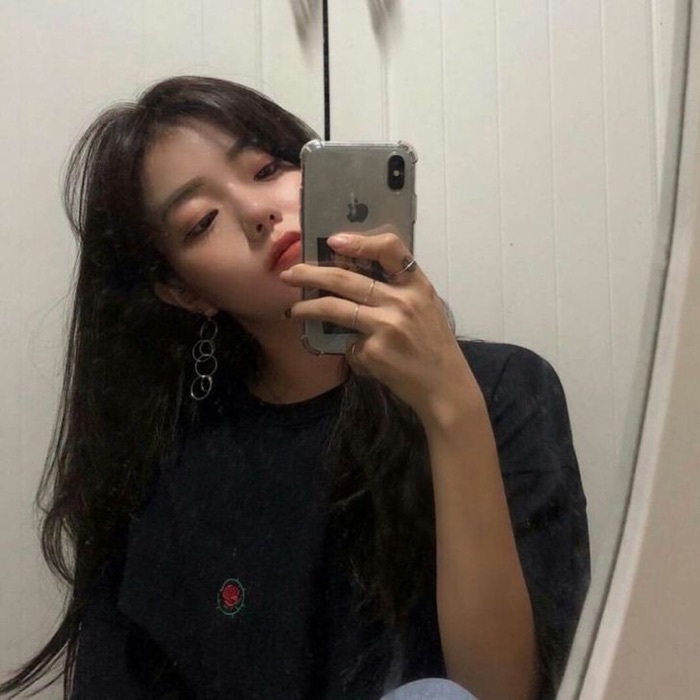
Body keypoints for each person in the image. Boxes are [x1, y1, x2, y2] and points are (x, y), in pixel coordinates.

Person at [0, 76, 589, 700]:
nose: (257, 212)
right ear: (185, 292)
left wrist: (450, 406)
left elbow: (503, 692)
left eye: (267, 169)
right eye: (201, 222)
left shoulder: (501, 390)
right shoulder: (168, 465)